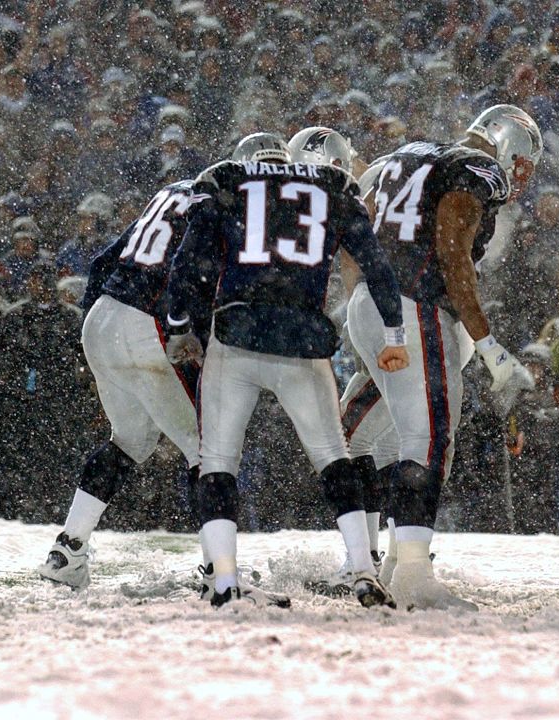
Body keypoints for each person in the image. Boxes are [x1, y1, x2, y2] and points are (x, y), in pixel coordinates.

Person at [163, 132, 409, 609]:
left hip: (237, 331)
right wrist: (395, 334)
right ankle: (363, 569)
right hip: (302, 337)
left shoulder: (228, 181)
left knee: (217, 461)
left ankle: (225, 581)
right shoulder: (333, 185)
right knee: (334, 457)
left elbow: (189, 263)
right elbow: (376, 264)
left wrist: (180, 325)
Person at [336, 105, 541, 610]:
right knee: (428, 437)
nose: (522, 177)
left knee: (377, 429)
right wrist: (489, 346)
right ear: (509, 145)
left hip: (373, 301)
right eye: (524, 163)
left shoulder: (396, 159)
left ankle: (372, 562)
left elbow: (350, 234)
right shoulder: (475, 168)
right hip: (416, 304)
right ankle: (411, 574)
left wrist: (361, 301)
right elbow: (452, 251)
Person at [35, 177, 205, 589]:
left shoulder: (172, 193)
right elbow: (191, 276)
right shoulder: (222, 200)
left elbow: (100, 262)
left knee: (129, 440)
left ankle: (68, 548)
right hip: (145, 321)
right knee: (207, 449)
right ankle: (220, 566)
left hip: (101, 316)